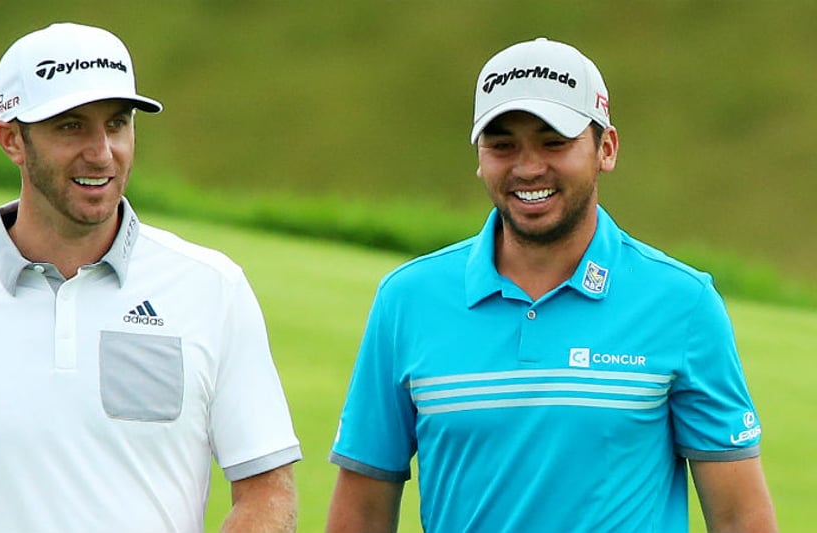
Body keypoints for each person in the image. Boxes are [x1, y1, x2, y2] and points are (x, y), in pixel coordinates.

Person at [0, 22, 301, 533]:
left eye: (116, 124)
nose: (101, 152)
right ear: (11, 140)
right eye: (70, 126)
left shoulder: (212, 288)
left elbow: (266, 491)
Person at [325, 37, 777, 533]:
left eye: (554, 142)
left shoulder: (683, 304)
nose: (528, 167)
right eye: (502, 145)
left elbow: (740, 519)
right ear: (480, 157)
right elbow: (361, 513)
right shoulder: (407, 300)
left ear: (606, 149)